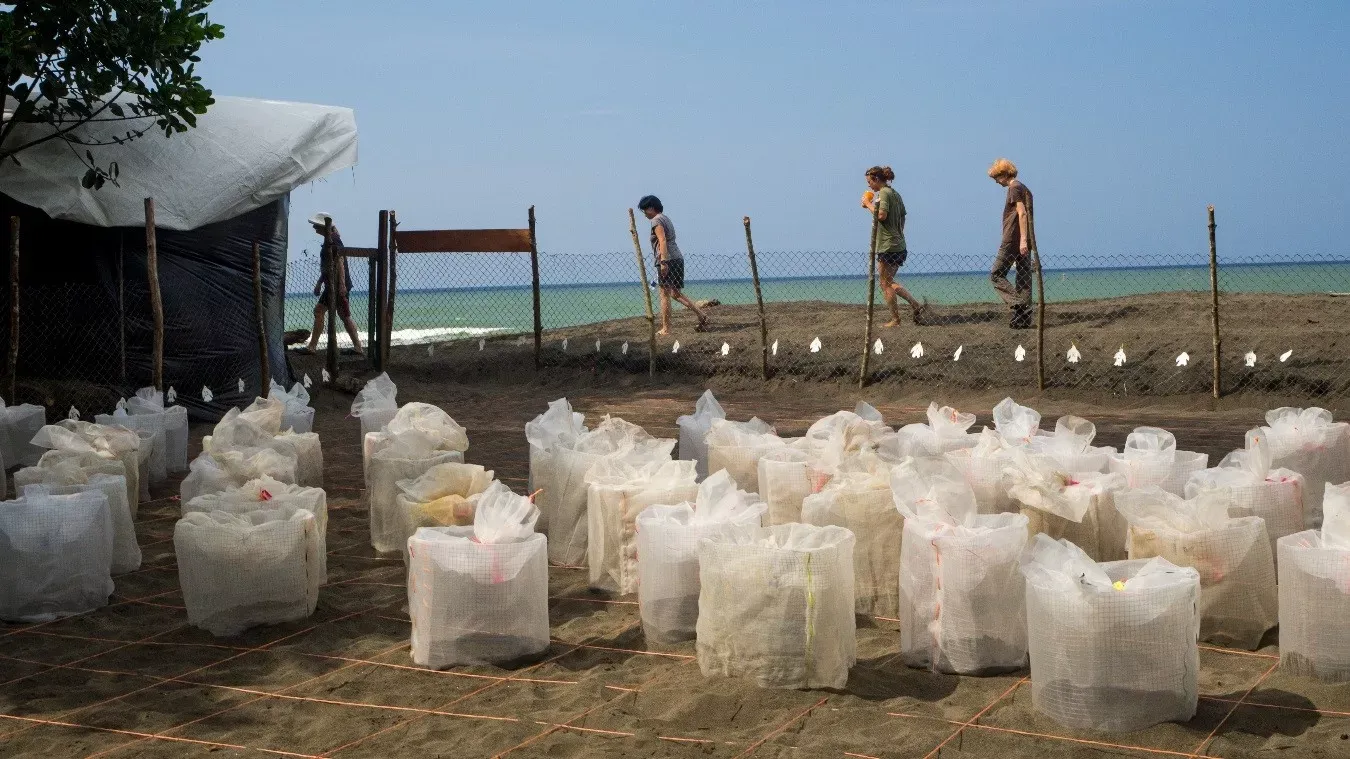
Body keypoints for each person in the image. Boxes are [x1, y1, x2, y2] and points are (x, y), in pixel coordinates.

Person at [861, 166, 927, 327]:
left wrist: (868, 204)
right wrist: (899, 233)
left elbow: (882, 215)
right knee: (888, 281)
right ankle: (915, 305)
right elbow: (903, 216)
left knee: (884, 283)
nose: (869, 186)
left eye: (869, 182)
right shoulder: (895, 194)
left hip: (888, 245)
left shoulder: (884, 193)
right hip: (899, 244)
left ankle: (896, 319)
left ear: (876, 179)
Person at [638, 195, 708, 335]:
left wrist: (663, 262)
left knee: (664, 294)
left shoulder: (656, 221)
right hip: (677, 257)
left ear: (651, 208)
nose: (644, 213)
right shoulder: (666, 218)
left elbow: (662, 240)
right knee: (675, 293)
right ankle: (701, 314)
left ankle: (666, 328)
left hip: (667, 259)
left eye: (645, 210)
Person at [297, 212, 365, 355]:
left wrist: (341, 285)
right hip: (331, 284)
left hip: (336, 284)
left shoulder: (333, 241)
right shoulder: (331, 239)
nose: (314, 228)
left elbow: (339, 261)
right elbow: (329, 265)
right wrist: (319, 282)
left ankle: (313, 347)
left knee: (325, 312)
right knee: (340, 315)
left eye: (316, 226)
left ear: (324, 227)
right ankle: (357, 346)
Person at [987, 158, 1036, 329]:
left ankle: (1020, 306)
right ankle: (1023, 318)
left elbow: (1021, 214)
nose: (996, 181)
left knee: (996, 274)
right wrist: (1026, 239)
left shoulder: (1014, 187)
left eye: (996, 177)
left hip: (1013, 238)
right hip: (1024, 238)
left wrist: (1022, 239)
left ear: (1004, 174)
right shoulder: (1024, 188)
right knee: (1023, 278)